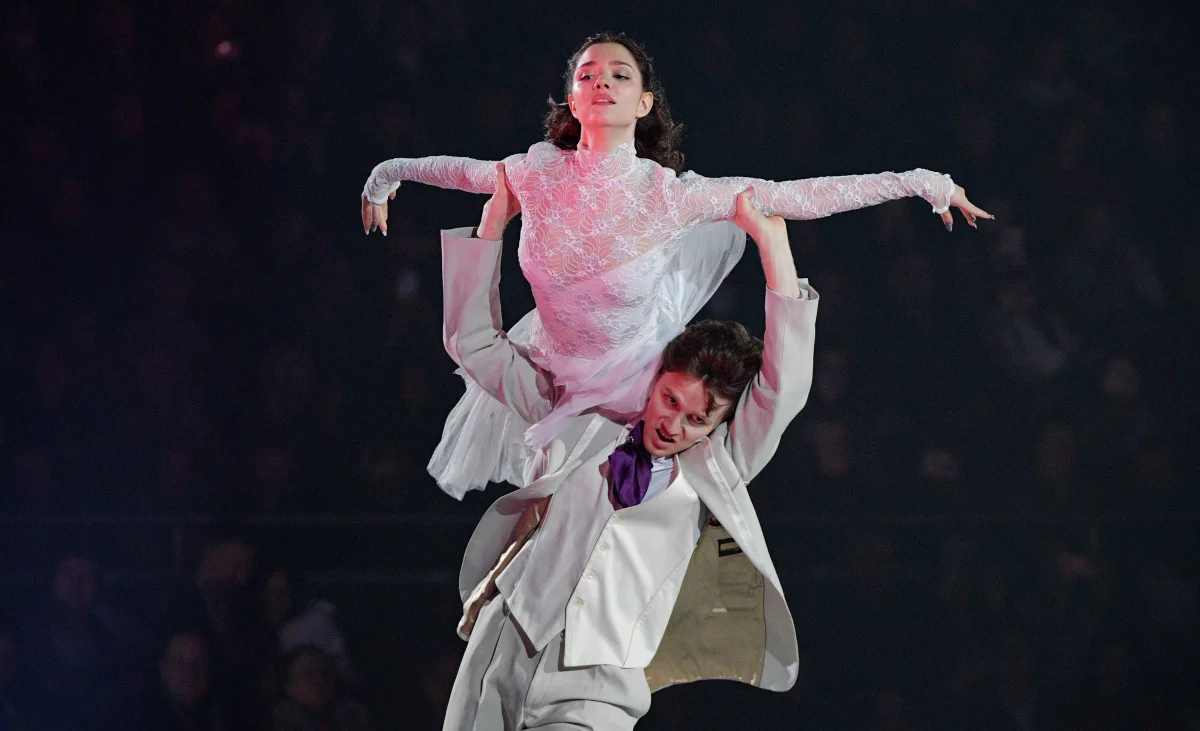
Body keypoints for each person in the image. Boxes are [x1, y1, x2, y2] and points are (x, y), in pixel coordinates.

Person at [360, 32, 992, 497]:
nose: (602, 80)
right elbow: (453, 172)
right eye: (587, 74)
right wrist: (387, 177)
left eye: (620, 75)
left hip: (641, 380)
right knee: (551, 514)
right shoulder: (534, 173)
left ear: (644, 104)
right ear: (571, 99)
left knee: (644, 498)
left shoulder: (671, 194)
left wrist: (918, 181)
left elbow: (796, 195)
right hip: (552, 371)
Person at [435, 171, 817, 729]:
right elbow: (473, 345)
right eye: (670, 400)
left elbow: (783, 392)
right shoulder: (579, 417)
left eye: (697, 419)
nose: (676, 425)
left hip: (597, 688)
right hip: (503, 645)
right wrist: (493, 222)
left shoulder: (716, 468)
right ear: (657, 376)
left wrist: (772, 244)